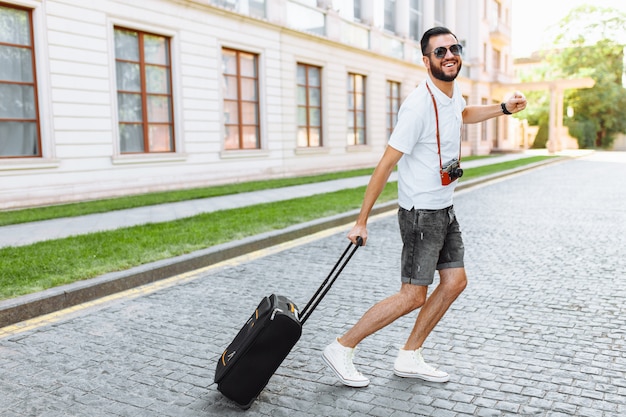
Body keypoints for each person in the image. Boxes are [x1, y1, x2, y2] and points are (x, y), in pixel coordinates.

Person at [322, 26, 527, 387]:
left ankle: (409, 355)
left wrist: (503, 108)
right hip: (420, 214)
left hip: (444, 208)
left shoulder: (451, 91)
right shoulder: (417, 106)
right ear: (426, 60)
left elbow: (462, 114)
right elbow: (385, 165)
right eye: (440, 52)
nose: (449, 56)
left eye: (454, 48)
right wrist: (361, 221)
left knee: (454, 282)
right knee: (412, 295)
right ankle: (342, 347)